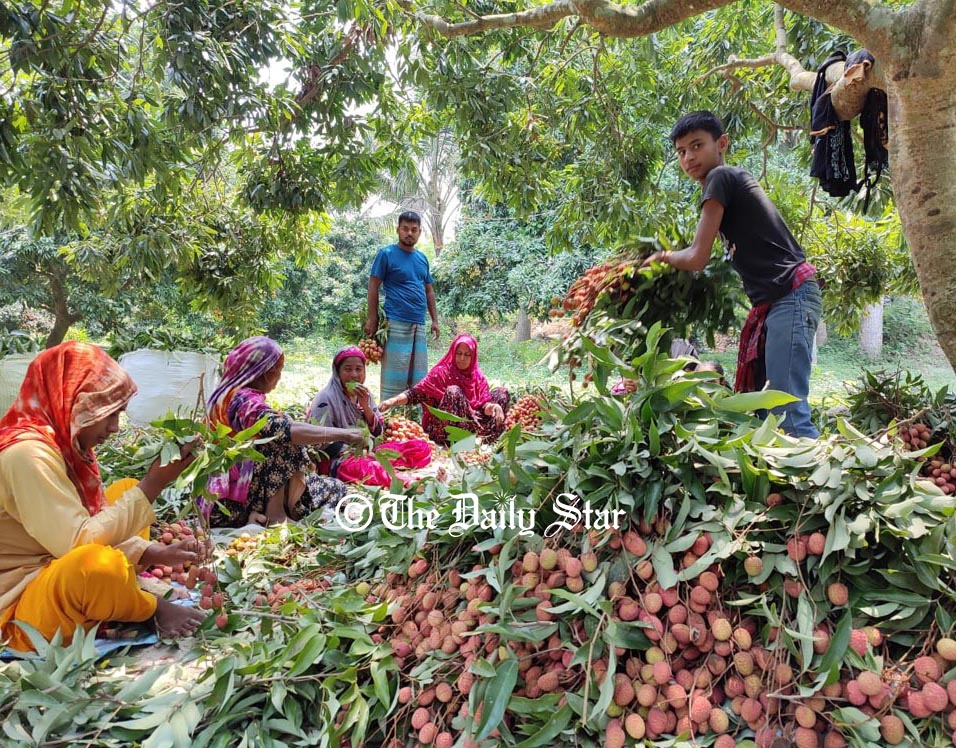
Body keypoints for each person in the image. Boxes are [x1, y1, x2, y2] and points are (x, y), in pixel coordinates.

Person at [0, 342, 206, 651]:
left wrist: (152, 552)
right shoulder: (28, 455)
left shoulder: (63, 445)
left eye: (118, 414)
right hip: (20, 603)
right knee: (97, 566)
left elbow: (83, 522)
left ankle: (123, 592)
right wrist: (153, 484)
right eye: (107, 414)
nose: (114, 427)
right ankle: (149, 609)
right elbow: (78, 543)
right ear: (73, 402)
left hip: (52, 558)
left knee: (124, 489)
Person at [643, 111, 822, 438]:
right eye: (681, 151)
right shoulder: (728, 183)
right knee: (769, 408)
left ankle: (817, 483)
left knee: (786, 410)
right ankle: (786, 483)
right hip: (781, 300)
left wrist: (661, 258)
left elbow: (697, 257)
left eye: (697, 146)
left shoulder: (720, 178)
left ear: (721, 143)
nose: (689, 157)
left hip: (790, 296)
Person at [204, 337, 364, 527]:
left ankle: (263, 511)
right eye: (278, 371)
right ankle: (276, 516)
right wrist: (343, 434)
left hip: (228, 491)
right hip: (231, 502)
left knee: (335, 488)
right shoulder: (244, 402)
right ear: (265, 374)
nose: (279, 377)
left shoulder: (224, 395)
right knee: (283, 437)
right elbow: (284, 430)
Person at [307, 346, 431, 486]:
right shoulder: (326, 398)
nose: (354, 375)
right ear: (337, 372)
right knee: (370, 469)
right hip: (339, 458)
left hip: (367, 450)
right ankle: (407, 483)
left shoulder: (365, 395)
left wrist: (366, 406)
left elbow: (378, 433)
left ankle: (375, 463)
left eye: (359, 369)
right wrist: (357, 452)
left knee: (420, 447)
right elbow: (320, 441)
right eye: (347, 369)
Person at [379, 334, 510, 445]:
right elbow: (416, 393)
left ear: (473, 356)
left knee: (501, 394)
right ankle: (457, 441)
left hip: (472, 424)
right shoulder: (441, 373)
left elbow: (483, 406)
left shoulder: (477, 378)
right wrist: (392, 401)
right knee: (454, 391)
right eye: (459, 353)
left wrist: (493, 407)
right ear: (453, 353)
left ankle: (483, 439)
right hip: (443, 428)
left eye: (467, 355)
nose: (462, 358)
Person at [365, 211, 441, 400]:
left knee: (418, 380)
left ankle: (413, 422)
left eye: (414, 230)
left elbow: (429, 290)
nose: (409, 233)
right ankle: (390, 422)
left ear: (419, 232)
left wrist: (435, 320)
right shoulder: (386, 254)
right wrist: (372, 318)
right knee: (394, 379)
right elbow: (373, 285)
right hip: (396, 322)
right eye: (405, 229)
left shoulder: (422, 258)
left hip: (419, 325)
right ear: (398, 230)